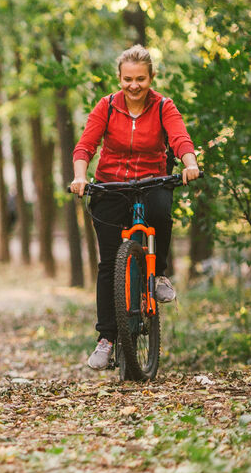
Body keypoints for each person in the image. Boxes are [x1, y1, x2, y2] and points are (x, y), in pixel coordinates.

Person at [70, 44, 201, 370]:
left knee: (160, 210)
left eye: (140, 79)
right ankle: (107, 339)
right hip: (111, 185)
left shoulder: (162, 107)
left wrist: (190, 162)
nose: (134, 85)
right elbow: (86, 145)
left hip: (151, 181)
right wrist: (79, 177)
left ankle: (157, 275)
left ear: (151, 77)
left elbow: (180, 138)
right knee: (109, 264)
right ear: (119, 78)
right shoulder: (107, 106)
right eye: (128, 79)